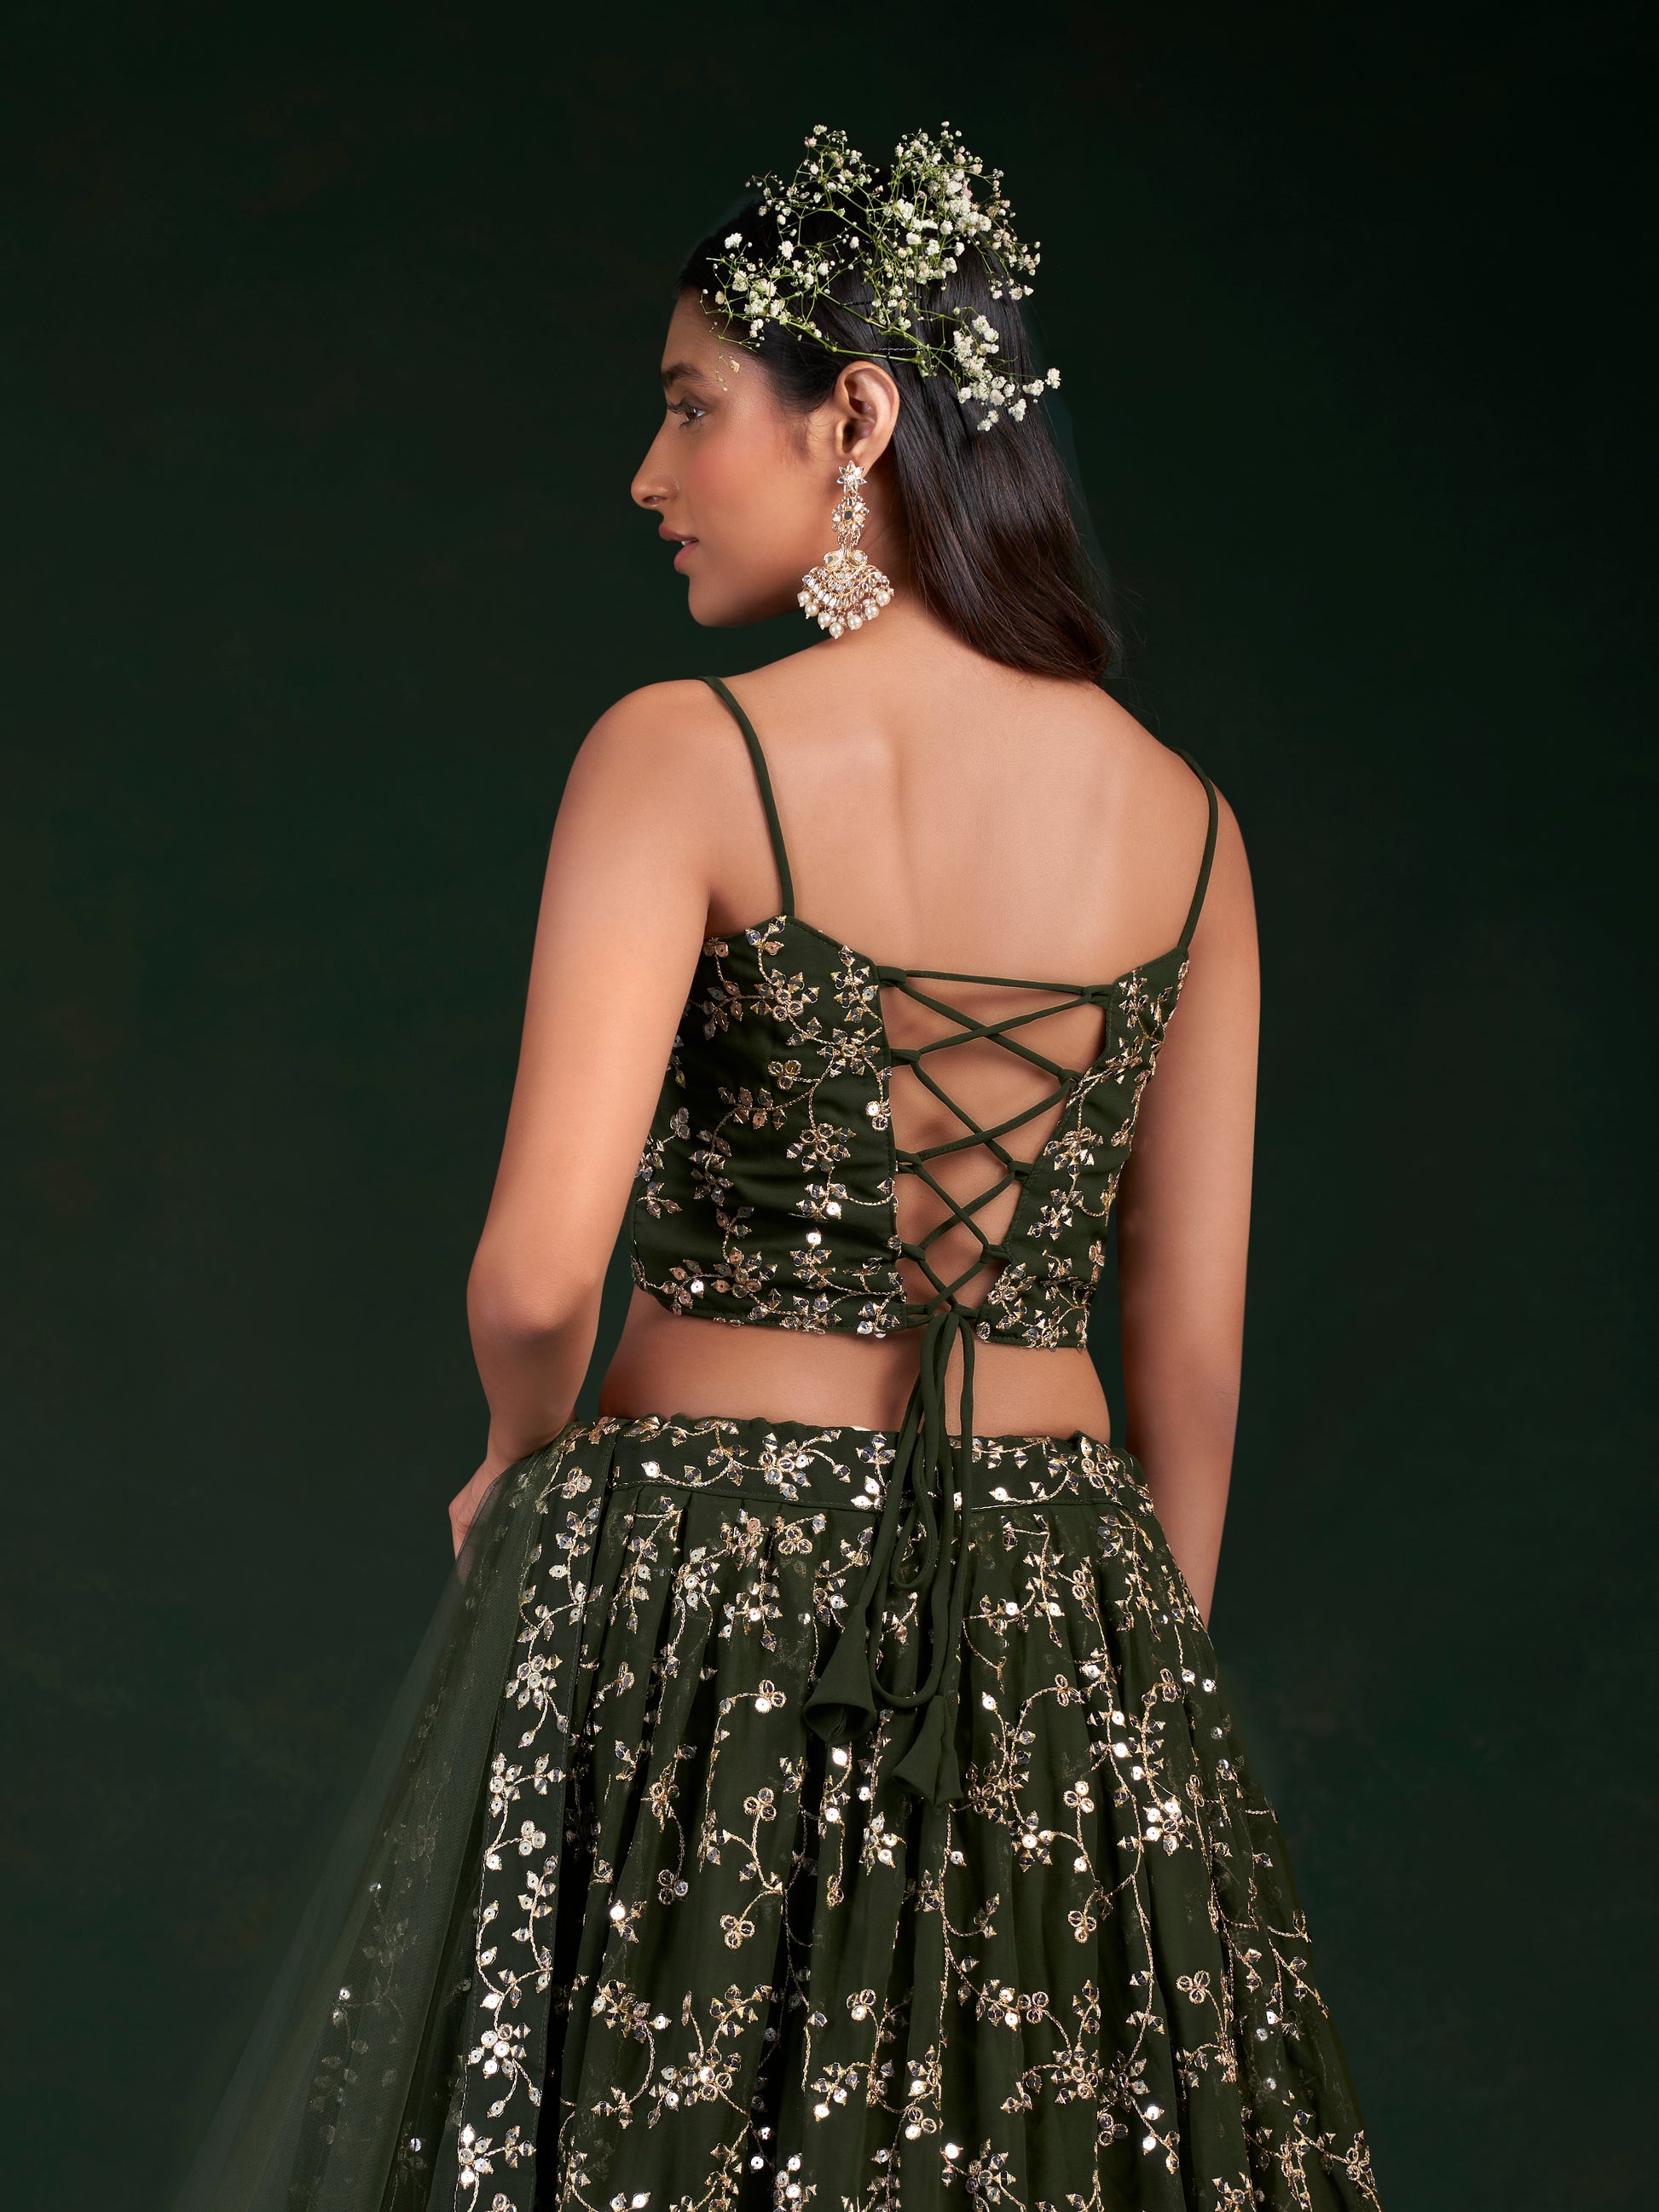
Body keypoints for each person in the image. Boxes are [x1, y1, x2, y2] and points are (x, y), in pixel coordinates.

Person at [173, 125, 1382, 2212]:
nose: (647, 474)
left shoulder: (685, 753)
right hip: (1059, 1594)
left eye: (686, 406)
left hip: (707, 1579)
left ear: (857, 417)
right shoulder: (1191, 827)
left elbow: (535, 1274)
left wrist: (515, 1447)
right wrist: (1127, 1691)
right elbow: (1187, 1347)